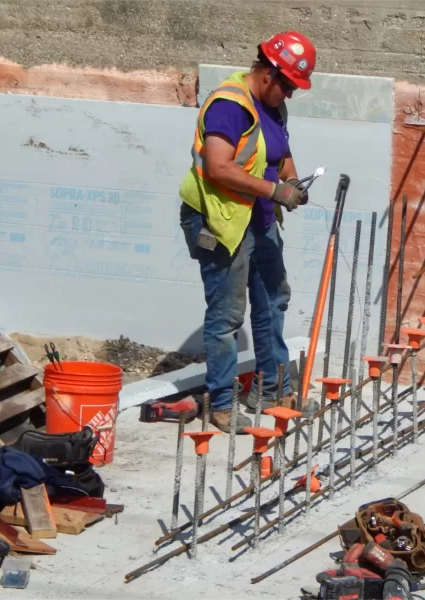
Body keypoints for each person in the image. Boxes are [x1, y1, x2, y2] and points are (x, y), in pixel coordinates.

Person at [178, 31, 320, 434]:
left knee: (273, 301)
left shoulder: (273, 108)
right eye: (288, 85)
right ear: (269, 74)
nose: (290, 94)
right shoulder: (230, 105)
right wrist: (275, 190)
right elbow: (220, 167)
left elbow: (281, 154)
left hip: (258, 220)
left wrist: (293, 183)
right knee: (226, 317)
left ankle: (272, 390)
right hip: (220, 221)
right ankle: (221, 404)